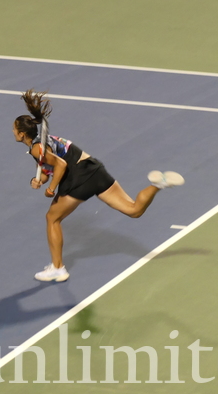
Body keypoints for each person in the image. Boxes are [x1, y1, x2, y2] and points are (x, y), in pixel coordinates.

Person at [13, 90, 183, 282]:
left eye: (14, 130)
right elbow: (47, 169)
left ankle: (58, 268)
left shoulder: (37, 148)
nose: (13, 133)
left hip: (78, 178)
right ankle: (158, 184)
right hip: (94, 170)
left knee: (52, 218)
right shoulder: (45, 144)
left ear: (21, 134)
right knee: (134, 210)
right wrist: (38, 181)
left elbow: (61, 165)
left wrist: (51, 188)